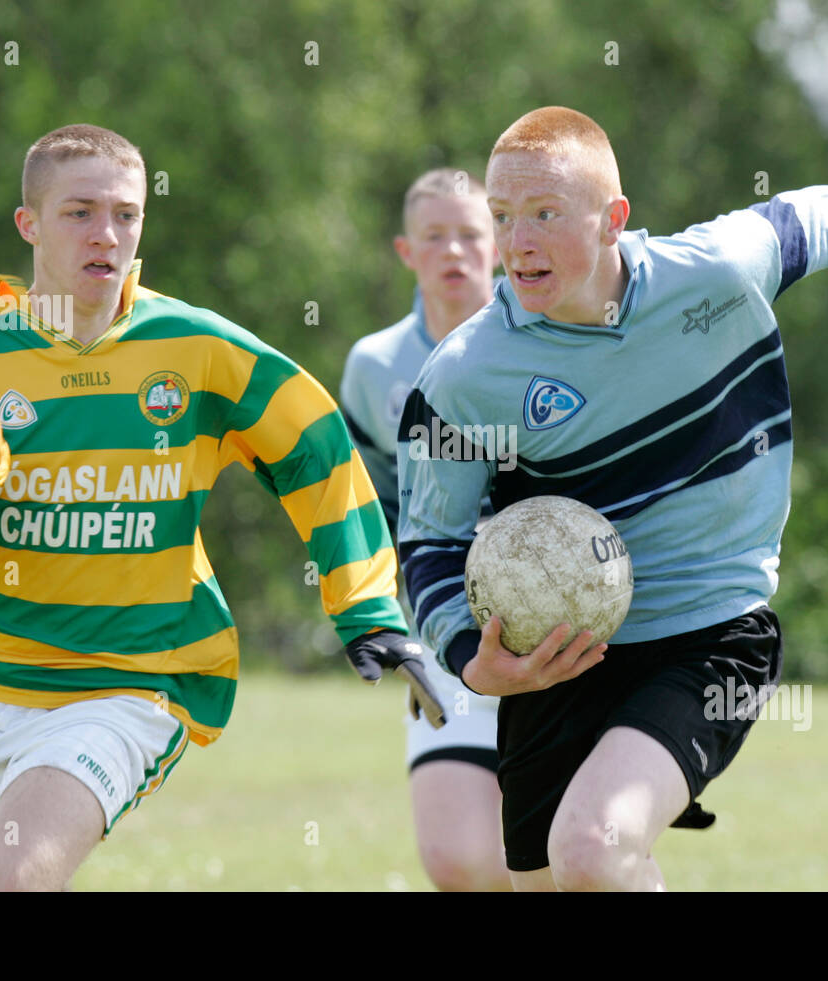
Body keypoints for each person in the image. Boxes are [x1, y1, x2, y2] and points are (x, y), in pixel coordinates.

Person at [397, 106, 828, 892]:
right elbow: (429, 543)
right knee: (554, 880)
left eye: (545, 214)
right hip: (556, 660)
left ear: (613, 220)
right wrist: (475, 659)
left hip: (714, 635)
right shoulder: (465, 378)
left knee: (592, 849)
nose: (518, 241)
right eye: (502, 216)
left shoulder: (713, 273)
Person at [0, 123, 441, 892]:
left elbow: (314, 448)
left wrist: (368, 607)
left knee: (8, 880)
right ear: (28, 224)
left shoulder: (194, 346)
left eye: (127, 213)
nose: (107, 233)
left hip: (133, 681)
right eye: (79, 212)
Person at [340, 168, 510, 891]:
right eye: (435, 236)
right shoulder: (373, 365)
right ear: (406, 251)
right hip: (447, 627)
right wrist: (391, 620)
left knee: (570, 852)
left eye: (471, 233)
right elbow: (368, 507)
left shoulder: (552, 336)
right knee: (457, 859)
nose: (455, 251)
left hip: (569, 624)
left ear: (498, 244)